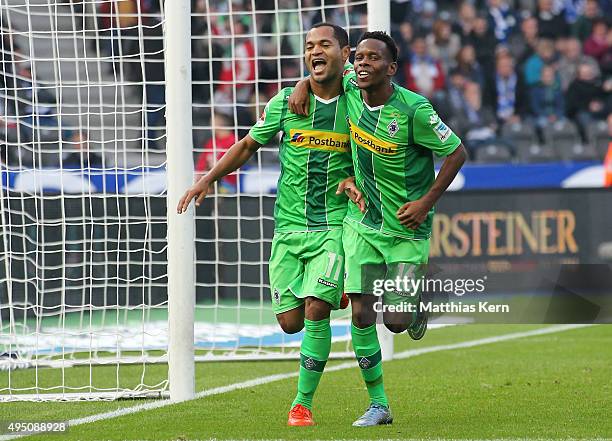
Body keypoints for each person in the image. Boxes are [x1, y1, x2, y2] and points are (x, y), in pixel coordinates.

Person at [177, 23, 361, 427]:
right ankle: (334, 292)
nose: (315, 51)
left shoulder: (355, 99)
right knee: (289, 322)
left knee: (316, 310)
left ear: (344, 53)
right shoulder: (285, 103)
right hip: (288, 228)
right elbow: (246, 144)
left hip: (333, 226)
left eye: (325, 45)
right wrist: (208, 178)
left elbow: (362, 74)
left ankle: (301, 404)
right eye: (309, 45)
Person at [289, 31, 466, 427]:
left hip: (405, 229)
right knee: (361, 314)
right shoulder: (351, 90)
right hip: (362, 225)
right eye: (360, 58)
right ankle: (378, 404)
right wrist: (302, 82)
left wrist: (425, 203)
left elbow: (457, 152)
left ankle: (421, 297)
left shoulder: (414, 110)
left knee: (397, 322)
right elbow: (323, 76)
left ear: (392, 69)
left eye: (373, 58)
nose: (363, 64)